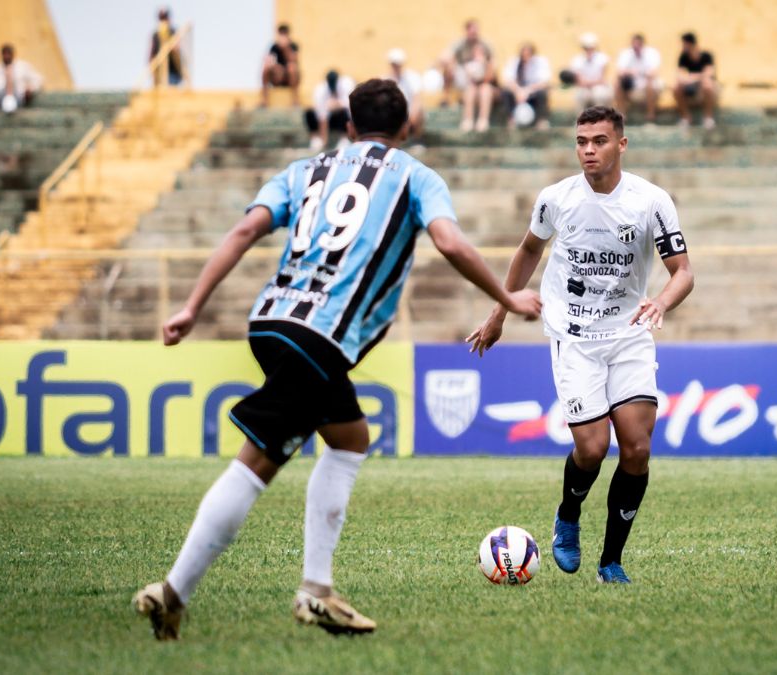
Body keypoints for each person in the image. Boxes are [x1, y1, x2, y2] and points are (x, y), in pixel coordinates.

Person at [132, 78, 541, 640]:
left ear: (348, 127)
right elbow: (449, 242)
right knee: (257, 463)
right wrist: (508, 298)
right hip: (321, 334)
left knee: (349, 438)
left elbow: (245, 228)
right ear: (407, 128)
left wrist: (191, 306)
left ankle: (317, 590)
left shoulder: (303, 171)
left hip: (272, 321)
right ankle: (174, 591)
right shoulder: (416, 176)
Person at [466, 106, 694, 585]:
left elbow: (683, 272)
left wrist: (662, 303)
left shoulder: (651, 202)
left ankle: (611, 560)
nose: (589, 149)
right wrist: (499, 310)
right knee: (591, 449)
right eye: (581, 141)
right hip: (573, 337)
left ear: (622, 145)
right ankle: (568, 514)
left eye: (600, 140)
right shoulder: (557, 199)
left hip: (630, 333)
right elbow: (530, 248)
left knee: (635, 449)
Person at [438, 20, 496, 132]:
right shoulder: (460, 45)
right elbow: (445, 57)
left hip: (485, 83)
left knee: (485, 90)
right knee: (470, 89)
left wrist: (484, 65)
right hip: (468, 81)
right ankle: (467, 119)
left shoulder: (486, 46)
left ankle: (483, 120)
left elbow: (491, 75)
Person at [499, 43, 551, 130]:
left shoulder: (540, 62)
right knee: (506, 92)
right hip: (517, 93)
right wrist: (518, 91)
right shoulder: (514, 62)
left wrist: (527, 90)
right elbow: (507, 79)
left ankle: (541, 120)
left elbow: (544, 81)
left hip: (533, 93)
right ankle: (510, 119)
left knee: (542, 93)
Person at [673, 32, 718, 130]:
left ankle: (708, 118)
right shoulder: (683, 57)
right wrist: (697, 77)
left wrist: (690, 77)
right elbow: (680, 75)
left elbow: (709, 74)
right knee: (676, 87)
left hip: (705, 86)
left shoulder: (706, 56)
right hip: (692, 85)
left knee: (707, 84)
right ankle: (686, 117)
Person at [614, 34, 662, 124]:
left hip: (647, 83)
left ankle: (651, 115)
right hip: (633, 83)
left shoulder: (652, 53)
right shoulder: (626, 54)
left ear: (642, 44)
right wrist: (632, 73)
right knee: (617, 83)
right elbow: (620, 72)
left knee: (650, 84)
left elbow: (653, 72)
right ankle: (622, 115)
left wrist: (636, 72)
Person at [304, 69, 354, 151]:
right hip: (328, 120)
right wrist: (324, 140)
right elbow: (322, 116)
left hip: (342, 118)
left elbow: (349, 107)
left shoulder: (347, 84)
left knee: (342, 112)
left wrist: (337, 105)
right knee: (309, 112)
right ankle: (315, 139)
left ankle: (344, 139)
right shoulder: (320, 90)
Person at [565, 33, 612, 109]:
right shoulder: (577, 60)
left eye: (590, 47)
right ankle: (580, 119)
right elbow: (578, 80)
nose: (588, 50)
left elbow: (602, 78)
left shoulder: (602, 58)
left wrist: (589, 83)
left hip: (598, 86)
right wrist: (591, 83)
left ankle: (600, 118)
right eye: (586, 47)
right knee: (580, 95)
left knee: (599, 94)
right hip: (584, 87)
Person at [386, 48, 425, 139]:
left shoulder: (413, 77)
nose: (396, 66)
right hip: (395, 113)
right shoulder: (386, 79)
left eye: (398, 64)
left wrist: (412, 115)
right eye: (394, 64)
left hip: (409, 113)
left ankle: (416, 138)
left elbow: (417, 99)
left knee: (419, 111)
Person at [261, 24, 301, 108]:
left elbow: (294, 60)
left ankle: (295, 100)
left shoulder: (293, 46)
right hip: (277, 77)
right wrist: (276, 67)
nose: (283, 35)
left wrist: (285, 48)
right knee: (265, 67)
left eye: (284, 33)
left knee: (292, 67)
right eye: (281, 33)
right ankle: (264, 100)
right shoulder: (274, 47)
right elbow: (269, 60)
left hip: (290, 78)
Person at [149, 8, 183, 87]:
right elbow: (151, 54)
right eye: (162, 19)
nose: (163, 21)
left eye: (165, 18)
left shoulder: (173, 32)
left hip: (173, 71)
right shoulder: (155, 35)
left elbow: (177, 48)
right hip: (159, 72)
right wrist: (153, 72)